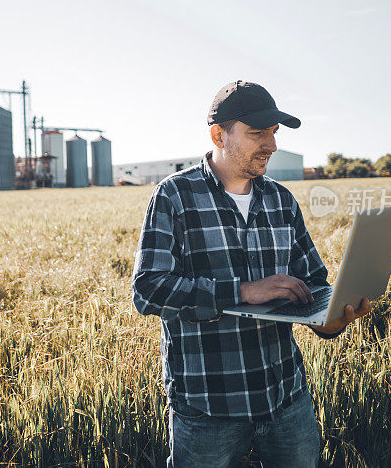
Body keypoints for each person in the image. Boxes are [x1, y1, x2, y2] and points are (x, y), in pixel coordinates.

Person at [131, 81, 371, 467]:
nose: (271, 145)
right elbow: (148, 290)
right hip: (208, 406)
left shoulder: (281, 200)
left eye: (273, 134)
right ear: (218, 134)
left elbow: (313, 283)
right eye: (257, 133)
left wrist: (331, 320)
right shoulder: (174, 196)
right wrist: (242, 291)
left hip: (286, 399)